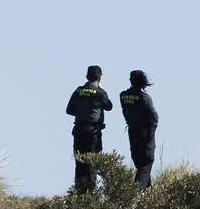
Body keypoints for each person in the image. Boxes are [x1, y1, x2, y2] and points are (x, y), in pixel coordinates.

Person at [64, 64, 111, 192]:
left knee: (80, 161)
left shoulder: (78, 91)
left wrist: (81, 113)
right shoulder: (100, 93)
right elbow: (109, 106)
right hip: (93, 131)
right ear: (99, 78)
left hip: (79, 129)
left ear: (87, 76)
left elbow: (69, 110)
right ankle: (90, 193)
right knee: (92, 161)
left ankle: (79, 191)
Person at [118, 70, 158, 190]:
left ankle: (149, 192)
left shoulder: (123, 96)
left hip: (132, 131)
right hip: (145, 133)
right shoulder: (144, 97)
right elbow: (154, 116)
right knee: (146, 162)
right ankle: (136, 193)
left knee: (139, 162)